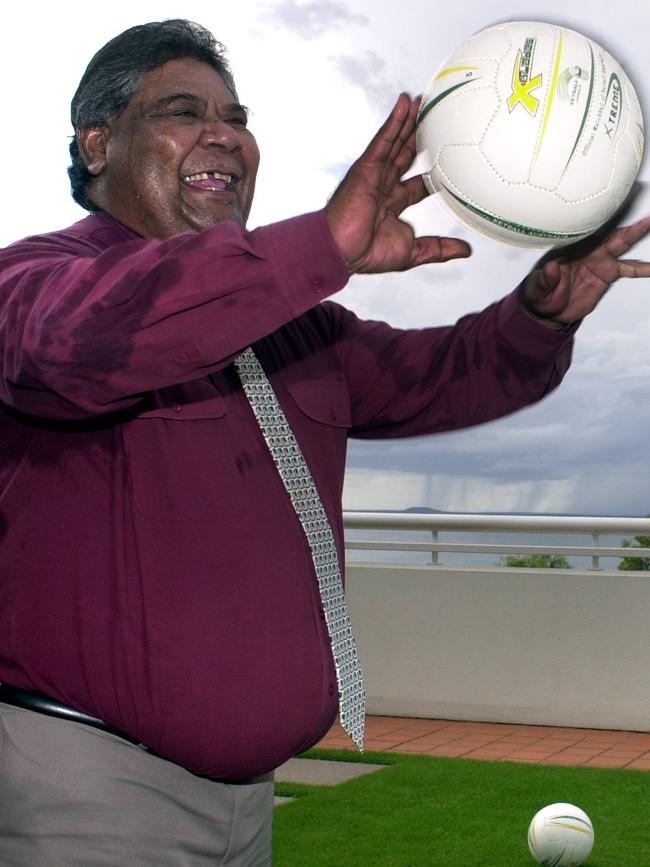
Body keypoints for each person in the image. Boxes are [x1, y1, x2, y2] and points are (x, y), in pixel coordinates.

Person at [0, 17, 648, 867]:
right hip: (88, 797)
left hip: (249, 808)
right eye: (182, 111)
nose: (224, 135)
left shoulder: (295, 330)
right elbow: (83, 342)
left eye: (236, 117)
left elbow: (447, 373)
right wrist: (318, 248)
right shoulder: (37, 280)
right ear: (96, 145)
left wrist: (538, 316)